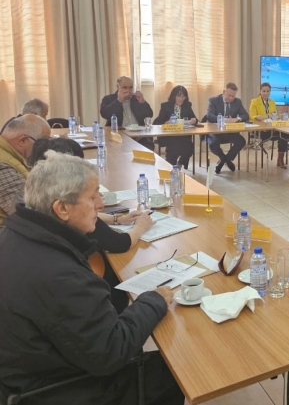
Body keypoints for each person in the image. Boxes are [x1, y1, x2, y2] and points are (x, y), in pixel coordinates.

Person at [0, 152, 184, 404]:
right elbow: (111, 352)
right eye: (92, 196)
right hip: (52, 389)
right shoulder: (62, 275)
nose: (100, 204)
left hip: (22, 371)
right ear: (62, 208)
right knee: (174, 372)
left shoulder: (14, 235)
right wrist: (154, 300)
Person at [28, 136, 155, 313]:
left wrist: (117, 219)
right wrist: (140, 227)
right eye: (92, 197)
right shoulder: (68, 274)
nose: (100, 204)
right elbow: (119, 243)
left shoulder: (37, 211)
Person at [0, 115, 51, 226]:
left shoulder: (13, 155)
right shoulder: (3, 168)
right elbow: (27, 214)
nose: (46, 147)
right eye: (43, 142)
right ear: (23, 140)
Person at [100, 76, 154, 150]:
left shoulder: (136, 98)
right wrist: (119, 100)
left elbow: (149, 114)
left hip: (139, 136)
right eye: (124, 87)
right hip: (118, 136)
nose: (128, 90)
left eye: (130, 87)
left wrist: (142, 102)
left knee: (148, 146)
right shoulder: (109, 98)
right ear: (118, 87)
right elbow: (105, 114)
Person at [206, 82, 249, 174]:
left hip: (230, 132)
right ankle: (226, 160)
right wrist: (224, 120)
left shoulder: (237, 102)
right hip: (216, 132)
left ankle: (223, 161)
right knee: (212, 144)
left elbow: (245, 115)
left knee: (241, 141)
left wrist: (237, 119)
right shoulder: (213, 100)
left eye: (233, 96)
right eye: (229, 95)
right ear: (224, 92)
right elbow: (210, 116)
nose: (231, 98)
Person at [153, 85, 198, 169]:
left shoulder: (187, 105)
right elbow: (158, 122)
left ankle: (180, 162)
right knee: (174, 149)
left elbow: (195, 119)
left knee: (189, 149)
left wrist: (194, 120)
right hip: (169, 135)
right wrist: (166, 122)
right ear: (174, 96)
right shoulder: (165, 106)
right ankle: (171, 167)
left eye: (183, 97)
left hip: (183, 135)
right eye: (179, 96)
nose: (181, 99)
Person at [248, 82, 289, 169]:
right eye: (264, 91)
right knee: (281, 135)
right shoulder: (254, 101)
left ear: (270, 92)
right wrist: (258, 117)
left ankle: (280, 159)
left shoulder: (272, 102)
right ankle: (280, 159)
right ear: (260, 91)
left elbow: (274, 114)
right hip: (260, 130)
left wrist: (272, 116)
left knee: (284, 135)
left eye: (268, 91)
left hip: (271, 128)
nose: (266, 93)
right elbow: (251, 116)